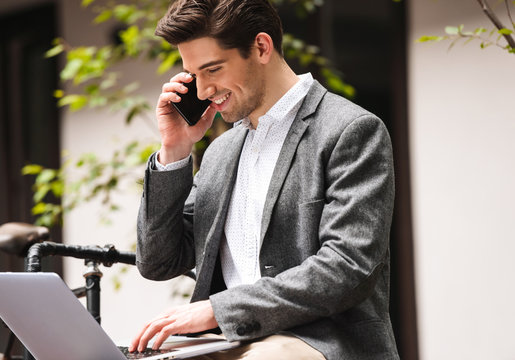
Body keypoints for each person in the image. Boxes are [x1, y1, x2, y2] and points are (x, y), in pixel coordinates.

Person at [130, 0, 400, 359]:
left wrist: (220, 309)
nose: (202, 90)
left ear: (261, 47)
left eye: (212, 70)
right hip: (227, 342)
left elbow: (347, 266)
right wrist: (175, 150)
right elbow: (158, 262)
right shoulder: (221, 152)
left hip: (322, 341)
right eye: (194, 75)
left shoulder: (350, 131)